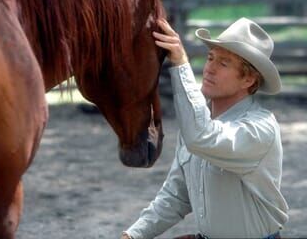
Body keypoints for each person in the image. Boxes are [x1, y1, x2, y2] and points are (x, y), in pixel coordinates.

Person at [121, 18, 289, 239]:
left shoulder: (260, 128)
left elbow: (201, 137)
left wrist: (181, 63)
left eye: (224, 63)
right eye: (211, 58)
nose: (209, 68)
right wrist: (133, 235)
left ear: (248, 79)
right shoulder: (196, 123)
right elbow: (176, 196)